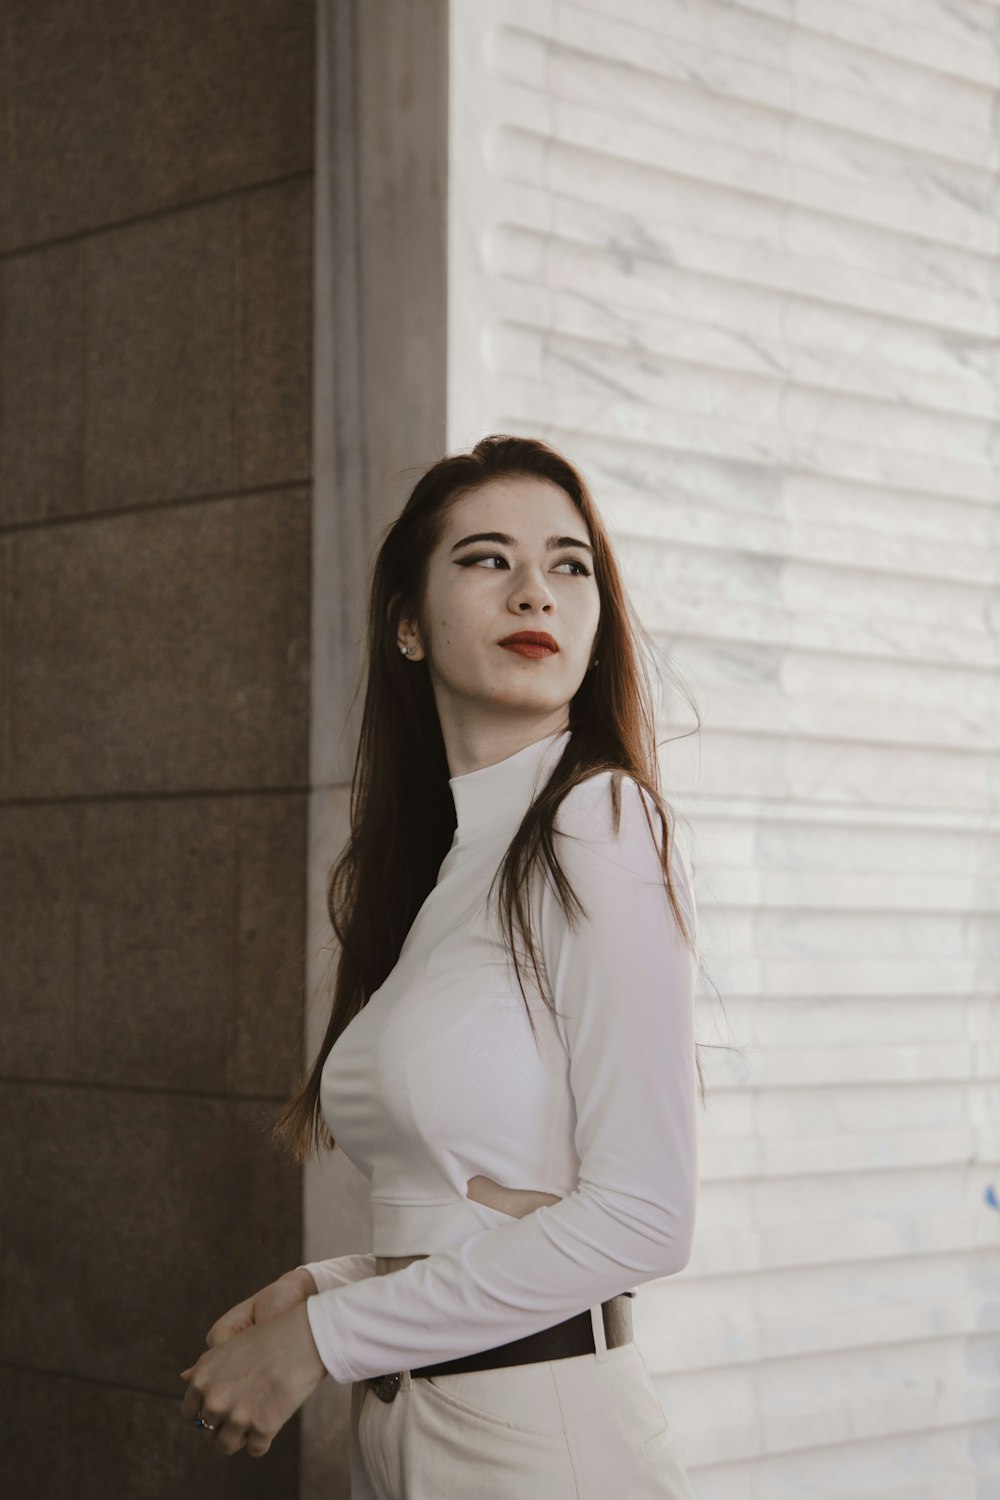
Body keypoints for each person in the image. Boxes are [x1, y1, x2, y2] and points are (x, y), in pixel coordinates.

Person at [179, 433, 703, 1496]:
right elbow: (478, 1193)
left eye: (568, 564)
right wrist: (330, 1284)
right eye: (484, 558)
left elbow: (644, 1214)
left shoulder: (595, 820)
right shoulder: (450, 869)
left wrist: (318, 1340)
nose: (533, 593)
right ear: (408, 626)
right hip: (415, 1431)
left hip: (542, 1445)